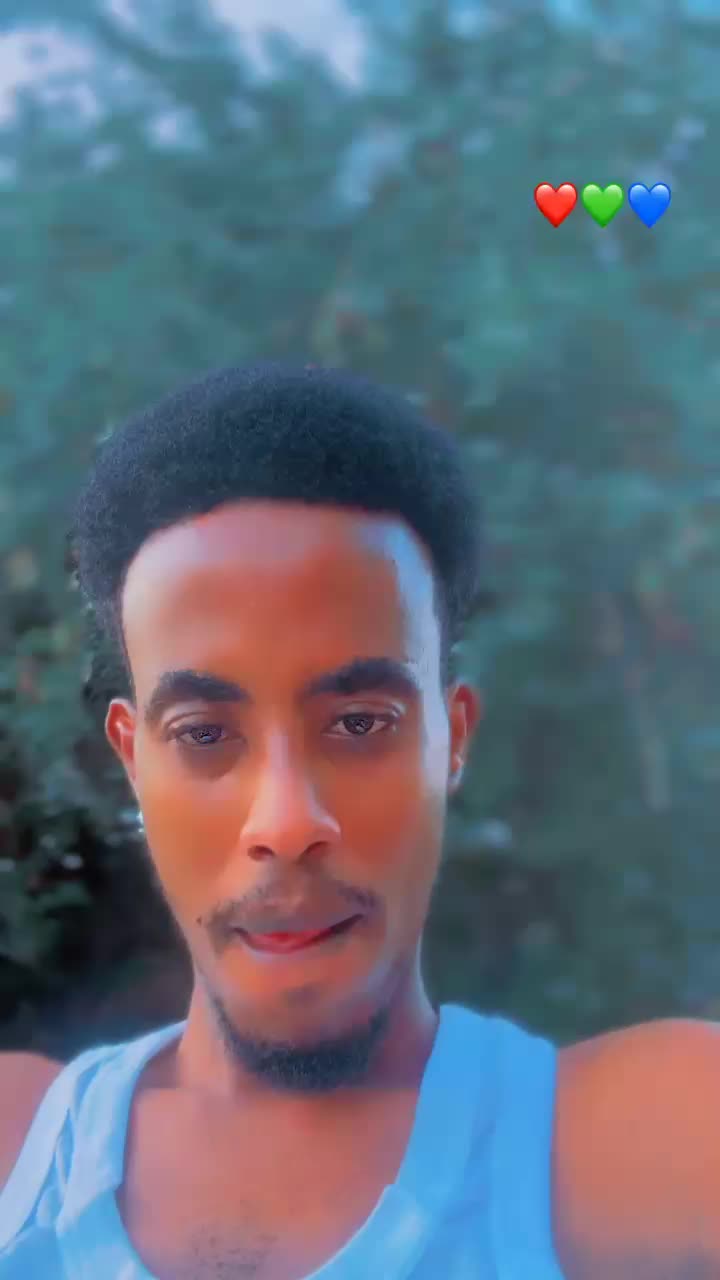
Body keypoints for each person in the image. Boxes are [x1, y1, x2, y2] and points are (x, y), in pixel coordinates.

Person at [0, 362, 718, 1280]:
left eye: (360, 724)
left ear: (452, 739)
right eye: (205, 734)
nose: (286, 820)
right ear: (132, 760)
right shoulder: (21, 1154)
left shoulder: (654, 1148)